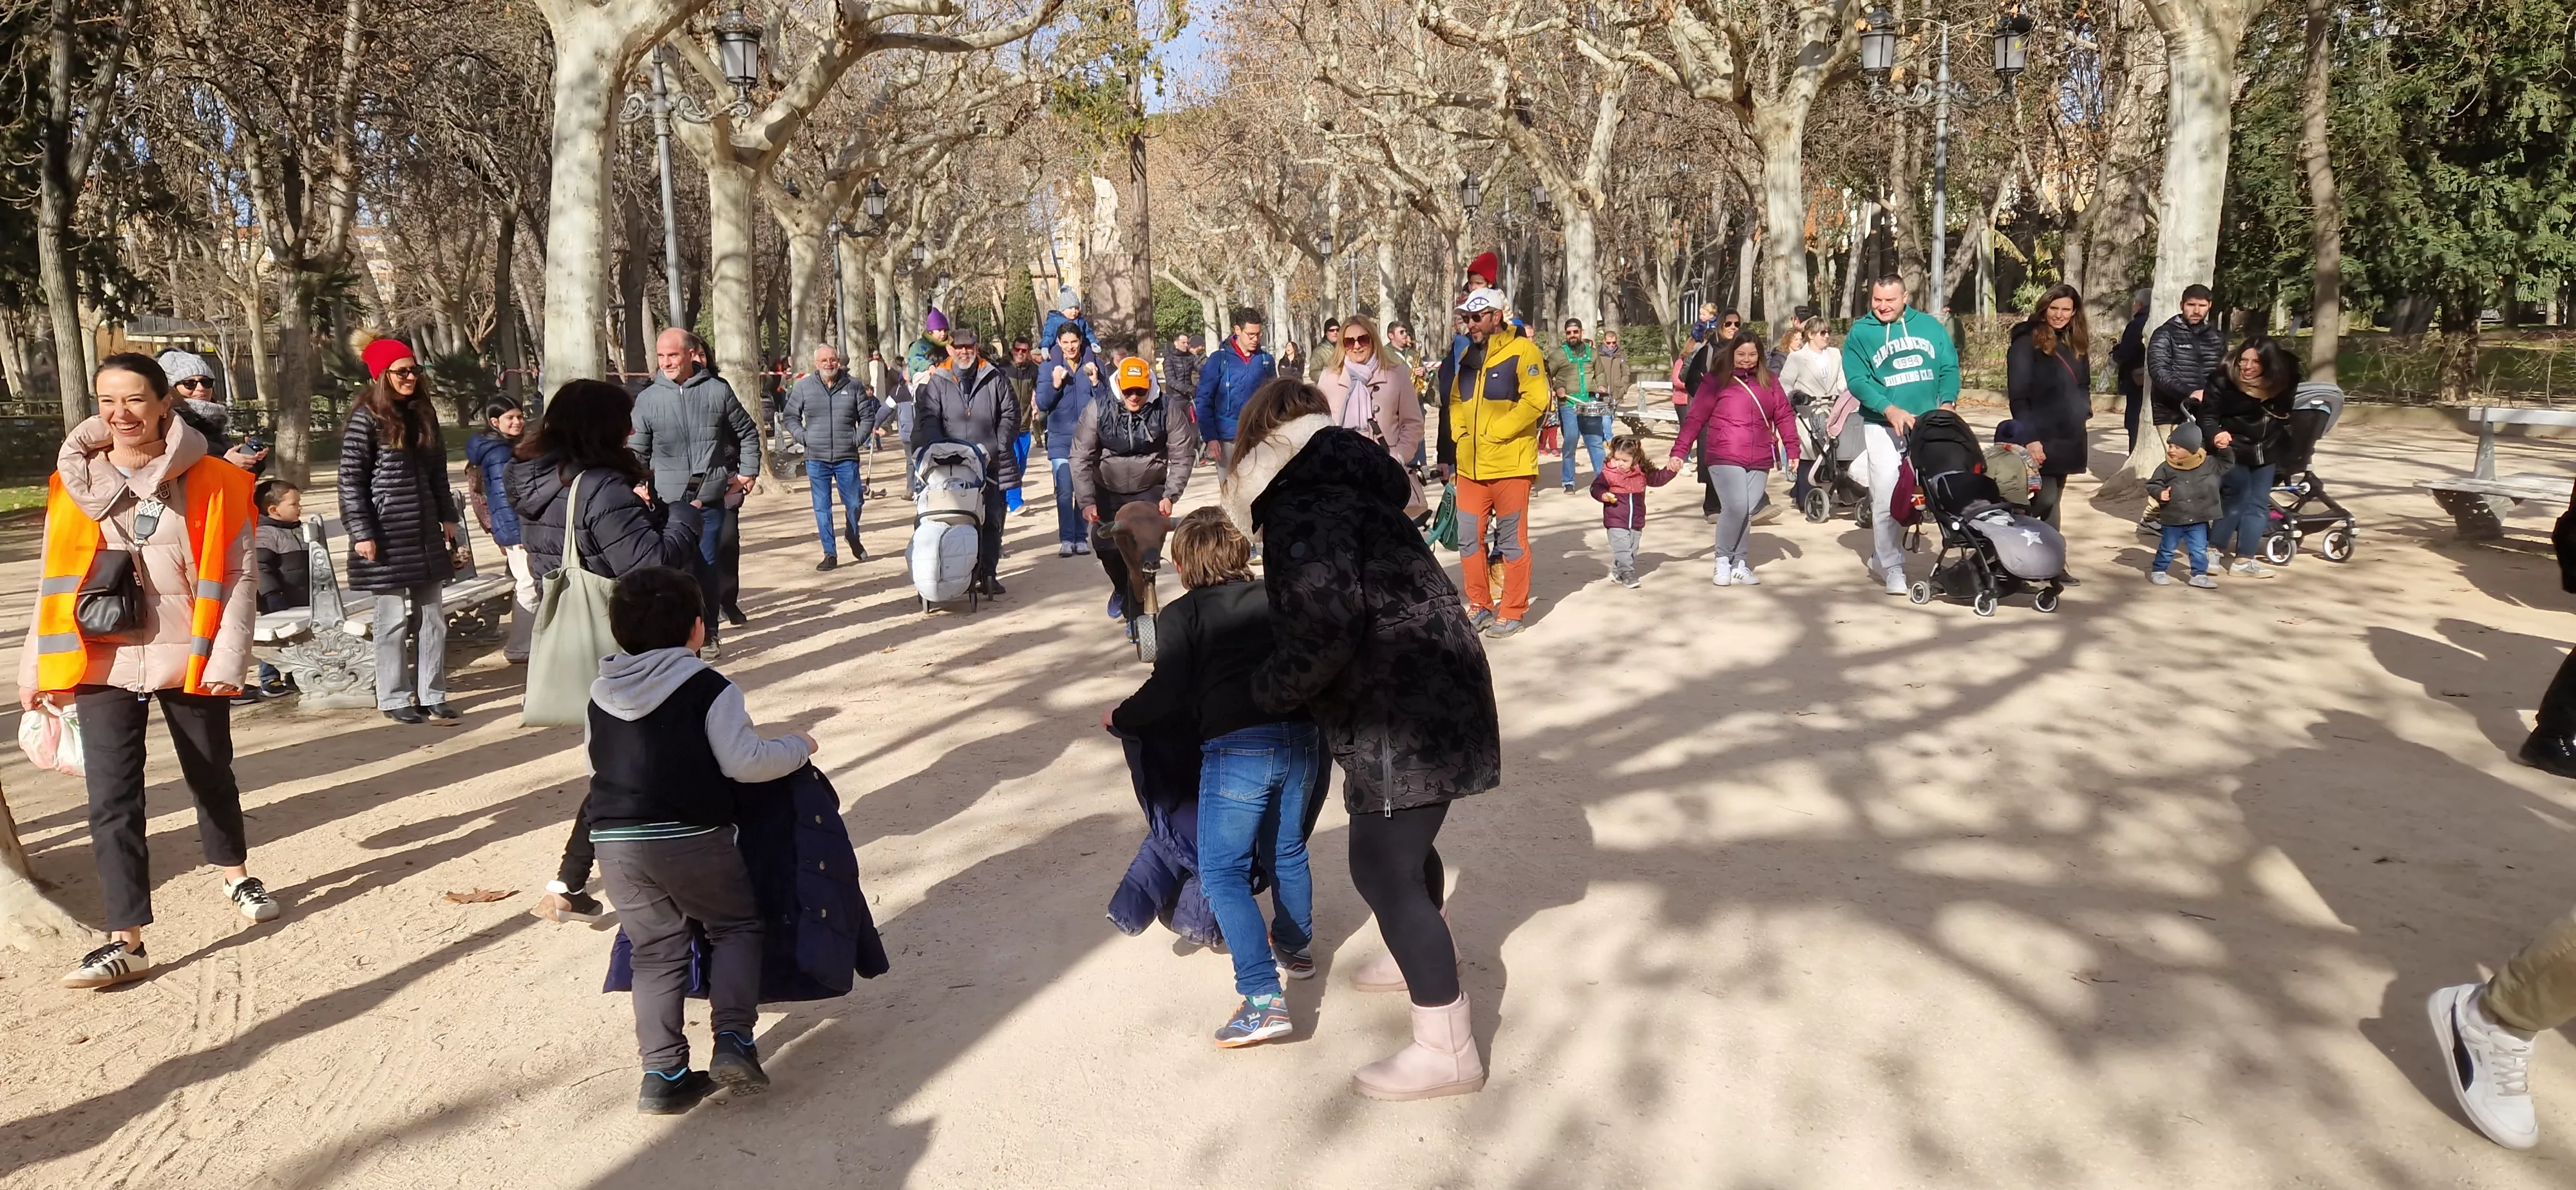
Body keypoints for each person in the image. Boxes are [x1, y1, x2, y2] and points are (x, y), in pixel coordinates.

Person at [1224, 376, 1501, 1101]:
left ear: (1261, 449)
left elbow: (1324, 629)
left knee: (1380, 865)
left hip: (1397, 696)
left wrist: (1260, 694)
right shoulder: (1354, 487)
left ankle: (1446, 1048)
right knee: (1406, 844)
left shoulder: (1299, 505)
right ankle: (1423, 950)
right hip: (1437, 677)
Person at [23, 353, 275, 990]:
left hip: (186, 652)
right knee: (111, 797)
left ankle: (234, 872)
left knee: (210, 771)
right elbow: (52, 585)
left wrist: (227, 658)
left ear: (165, 404)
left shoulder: (217, 479)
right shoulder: (71, 482)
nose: (120, 413)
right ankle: (124, 940)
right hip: (99, 656)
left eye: (135, 399)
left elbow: (240, 578)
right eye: (108, 400)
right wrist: (36, 667)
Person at [578, 565, 816, 1114]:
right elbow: (744, 763)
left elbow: (597, 768)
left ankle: (662, 1075)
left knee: (655, 953)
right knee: (734, 926)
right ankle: (734, 1039)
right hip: (691, 840)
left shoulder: (599, 694)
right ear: (697, 627)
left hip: (615, 842)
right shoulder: (710, 687)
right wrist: (798, 745)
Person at [1109, 508, 1319, 1047]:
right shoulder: (1278, 598)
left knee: (1222, 873)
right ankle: (1295, 948)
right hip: (1301, 738)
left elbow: (1166, 691)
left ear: (1181, 564)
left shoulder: (1182, 617)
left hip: (1238, 748)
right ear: (1239, 553)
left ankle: (1262, 998)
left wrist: (1123, 717)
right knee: (1288, 851)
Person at [508, 379, 706, 925]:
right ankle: (608, 877)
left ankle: (568, 883)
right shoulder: (600, 487)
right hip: (628, 643)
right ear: (603, 427)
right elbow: (647, 566)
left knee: (621, 763)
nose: (632, 430)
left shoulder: (542, 480)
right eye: (625, 420)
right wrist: (685, 515)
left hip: (584, 638)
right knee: (636, 765)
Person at [339, 337, 460, 724]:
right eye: (401, 371)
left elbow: (437, 472)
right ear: (381, 376)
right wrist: (361, 531)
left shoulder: (424, 413)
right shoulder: (366, 417)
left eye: (414, 370)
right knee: (390, 619)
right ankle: (394, 697)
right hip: (386, 532)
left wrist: (448, 516)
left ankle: (433, 692)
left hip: (425, 531)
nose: (410, 377)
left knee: (433, 616)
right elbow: (350, 480)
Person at [632, 328, 759, 656]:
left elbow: (747, 432)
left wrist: (748, 471)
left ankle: (710, 632)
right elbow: (637, 451)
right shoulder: (647, 399)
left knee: (706, 565)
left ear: (691, 354)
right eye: (661, 356)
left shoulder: (718, 391)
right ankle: (682, 638)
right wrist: (633, 483)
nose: (666, 362)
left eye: (672, 355)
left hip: (710, 499)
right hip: (666, 503)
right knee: (676, 571)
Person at [1437, 287, 1552, 638]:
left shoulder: (1524, 351)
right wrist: (1460, 434)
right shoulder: (1469, 356)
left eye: (1476, 317)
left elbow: (1537, 400)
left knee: (1512, 541)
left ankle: (1513, 610)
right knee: (1469, 540)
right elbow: (1455, 398)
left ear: (1495, 316)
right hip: (1471, 469)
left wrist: (1496, 431)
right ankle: (1480, 605)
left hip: (1511, 468)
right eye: (1466, 318)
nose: (1470, 324)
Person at [1843, 275, 1962, 595]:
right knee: (1886, 494)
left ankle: (1886, 556)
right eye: (1877, 300)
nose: (1883, 307)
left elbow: (1949, 366)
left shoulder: (1929, 327)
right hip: (1883, 425)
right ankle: (1892, 565)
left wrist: (1948, 402)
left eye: (1890, 301)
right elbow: (1857, 380)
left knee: (1936, 492)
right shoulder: (1861, 333)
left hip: (1928, 424)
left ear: (1905, 297)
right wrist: (1888, 408)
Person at [1074, 356, 1199, 631]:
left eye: (1140, 391)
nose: (1134, 396)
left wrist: (1171, 494)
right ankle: (1121, 587)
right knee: (1105, 545)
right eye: (1128, 390)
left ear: (1149, 386)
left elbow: (1182, 454)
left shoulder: (1167, 409)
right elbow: (1080, 456)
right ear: (1118, 384)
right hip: (1108, 488)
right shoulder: (1097, 408)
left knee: (1147, 550)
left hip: (1150, 489)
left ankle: (1139, 611)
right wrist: (1086, 501)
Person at [1671, 334, 1798, 587]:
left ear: (1760, 356)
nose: (1747, 360)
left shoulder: (1770, 381)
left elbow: (1784, 415)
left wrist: (1793, 450)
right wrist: (1679, 451)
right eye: (1741, 355)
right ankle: (1722, 560)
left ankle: (1740, 563)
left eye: (1752, 355)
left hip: (1760, 454)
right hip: (1724, 452)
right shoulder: (1716, 380)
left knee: (1747, 510)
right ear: (1732, 354)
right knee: (1736, 507)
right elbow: (1695, 418)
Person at [912, 324, 1020, 597]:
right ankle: (955, 575)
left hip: (990, 462)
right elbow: (928, 418)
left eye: (969, 347)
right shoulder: (938, 381)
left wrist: (996, 445)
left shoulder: (994, 377)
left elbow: (1010, 414)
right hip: (951, 467)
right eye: (959, 347)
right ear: (950, 349)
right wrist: (943, 448)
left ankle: (990, 574)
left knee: (992, 520)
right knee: (953, 520)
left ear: (976, 348)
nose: (964, 352)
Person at [2194, 335, 2298, 578]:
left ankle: (2244, 560)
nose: (2247, 367)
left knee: (2259, 504)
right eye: (2244, 360)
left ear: (2269, 364)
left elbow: (2287, 412)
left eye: (2256, 362)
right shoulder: (2222, 380)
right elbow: (2207, 417)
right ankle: (2214, 550)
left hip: (2269, 447)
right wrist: (2216, 434)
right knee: (2235, 498)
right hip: (2233, 447)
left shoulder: (2284, 380)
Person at [2003, 283, 2094, 535]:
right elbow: (2018, 396)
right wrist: (2031, 438)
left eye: (2066, 309)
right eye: (2054, 308)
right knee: (2044, 498)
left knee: (2054, 500)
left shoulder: (2075, 341)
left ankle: (2053, 562)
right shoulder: (2026, 342)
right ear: (2044, 309)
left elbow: (2083, 383)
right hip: (2040, 435)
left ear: (2075, 312)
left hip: (2070, 435)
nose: (2059, 315)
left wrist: (2083, 411)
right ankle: (2010, 537)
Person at [782, 343, 882, 571]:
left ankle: (852, 535)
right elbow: (790, 416)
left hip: (847, 457)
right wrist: (803, 437)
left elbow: (867, 417)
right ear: (816, 364)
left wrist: (856, 439)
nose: (830, 364)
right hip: (816, 458)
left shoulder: (854, 385)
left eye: (833, 359)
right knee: (822, 507)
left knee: (855, 502)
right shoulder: (805, 387)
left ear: (839, 361)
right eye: (825, 360)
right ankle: (830, 553)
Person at [1316, 316, 1425, 515]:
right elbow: (1318, 426)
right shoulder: (1329, 378)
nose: (1356, 346)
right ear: (1343, 345)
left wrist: (1398, 456)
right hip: (1342, 475)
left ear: (1373, 340)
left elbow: (1413, 423)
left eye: (1363, 339)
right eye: (1350, 341)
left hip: (1385, 472)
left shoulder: (1396, 374)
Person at [466, 397, 537, 661]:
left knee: (529, 582)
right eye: (511, 418)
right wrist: (516, 533)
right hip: (515, 529)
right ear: (495, 422)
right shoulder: (499, 453)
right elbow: (503, 496)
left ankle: (529, 641)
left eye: (520, 416)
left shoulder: (506, 446)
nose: (517, 422)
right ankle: (520, 646)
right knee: (528, 583)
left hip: (515, 527)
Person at [1039, 323, 1109, 557]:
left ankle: (1082, 537)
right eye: (1065, 342)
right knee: (1064, 490)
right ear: (1059, 343)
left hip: (1089, 440)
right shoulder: (1048, 368)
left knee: (1085, 492)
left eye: (1074, 342)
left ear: (1081, 342)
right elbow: (1042, 403)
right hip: (1060, 439)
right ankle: (1067, 539)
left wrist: (1096, 383)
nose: (1070, 347)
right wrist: (1056, 385)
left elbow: (1107, 402)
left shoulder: (1094, 366)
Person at [2143, 421, 2227, 589]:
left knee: (2199, 549)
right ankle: (2159, 571)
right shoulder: (2166, 466)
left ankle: (2199, 575)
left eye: (2178, 447)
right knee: (2168, 547)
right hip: (2174, 516)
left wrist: (2224, 448)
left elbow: (2227, 463)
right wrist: (2160, 493)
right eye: (2171, 446)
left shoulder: (2209, 463)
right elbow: (2153, 484)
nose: (2172, 450)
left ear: (2192, 450)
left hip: (2198, 517)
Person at [1590, 435, 1680, 588]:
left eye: (1625, 461)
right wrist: (1603, 495)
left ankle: (1617, 571)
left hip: (1637, 519)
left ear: (1636, 459)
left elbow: (1658, 479)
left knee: (1632, 548)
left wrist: (1671, 470)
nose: (1620, 464)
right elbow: (1595, 488)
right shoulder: (1608, 473)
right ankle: (1628, 574)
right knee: (1622, 548)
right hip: (1616, 519)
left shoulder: (1642, 473)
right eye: (1617, 459)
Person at [158, 350, 269, 473]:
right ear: (172, 389)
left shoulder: (215, 420)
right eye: (189, 383)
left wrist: (252, 461)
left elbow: (235, 480)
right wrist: (228, 463)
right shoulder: (172, 424)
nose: (201, 388)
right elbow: (182, 477)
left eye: (206, 382)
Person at [1194, 307, 1275, 471]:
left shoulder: (1266, 361)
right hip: (1227, 440)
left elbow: (1274, 400)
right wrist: (1210, 437)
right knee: (1230, 492)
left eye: (1259, 334)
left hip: (1259, 436)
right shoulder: (1218, 360)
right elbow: (1204, 400)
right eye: (1251, 335)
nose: (1256, 339)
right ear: (1237, 330)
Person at [251, 478, 307, 697]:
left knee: (299, 637)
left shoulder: (297, 530)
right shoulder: (266, 533)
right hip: (277, 598)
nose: (300, 507)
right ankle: (269, 677)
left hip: (301, 594)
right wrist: (271, 594)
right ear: (274, 510)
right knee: (275, 641)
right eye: (294, 504)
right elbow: (261, 567)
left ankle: (294, 674)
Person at [1546, 318, 1614, 494]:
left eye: (1575, 332)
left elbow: (1599, 373)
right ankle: (1568, 481)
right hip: (1568, 404)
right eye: (1569, 333)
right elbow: (1547, 376)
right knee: (1570, 442)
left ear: (1581, 332)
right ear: (1565, 334)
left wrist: (1601, 386)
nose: (1572, 335)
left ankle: (1602, 479)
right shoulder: (1558, 355)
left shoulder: (1592, 353)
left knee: (1595, 442)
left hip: (1589, 403)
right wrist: (1557, 387)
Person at [2112, 289, 2151, 450]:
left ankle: (2134, 454)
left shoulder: (2136, 325)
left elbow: (2127, 352)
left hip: (2137, 379)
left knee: (2135, 421)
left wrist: (2117, 353)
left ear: (2139, 304)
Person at [1041, 287, 1098, 356]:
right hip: (1061, 350)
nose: (1074, 311)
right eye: (1071, 308)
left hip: (1079, 349)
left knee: (1088, 352)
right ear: (1063, 310)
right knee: (1056, 351)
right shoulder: (1055, 321)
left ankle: (1090, 364)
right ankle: (1058, 366)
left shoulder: (1081, 321)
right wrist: (1045, 346)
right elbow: (1049, 336)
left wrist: (1093, 343)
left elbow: (1088, 334)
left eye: (1077, 308)